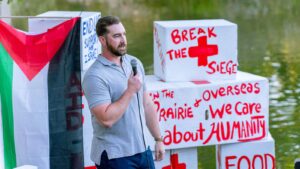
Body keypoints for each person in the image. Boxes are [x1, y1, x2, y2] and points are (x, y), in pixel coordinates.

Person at [82, 16, 165, 169]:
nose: (123, 40)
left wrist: (158, 138)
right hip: (115, 156)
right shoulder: (94, 76)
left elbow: (146, 104)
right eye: (116, 36)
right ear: (102, 40)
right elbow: (106, 119)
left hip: (143, 150)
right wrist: (130, 90)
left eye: (124, 34)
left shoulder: (134, 63)